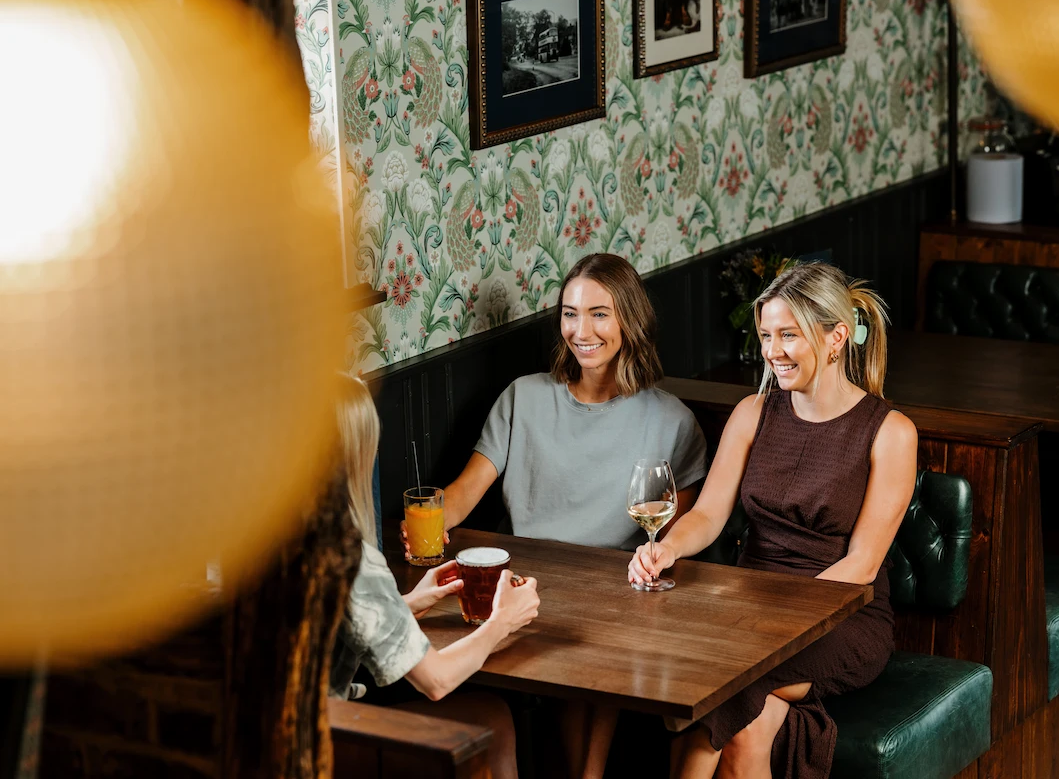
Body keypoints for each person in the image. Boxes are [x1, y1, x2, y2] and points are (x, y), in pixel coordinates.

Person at [404, 252, 709, 778]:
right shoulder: (523, 397)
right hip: (527, 579)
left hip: (616, 589)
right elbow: (461, 493)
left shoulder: (673, 422)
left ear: (629, 321)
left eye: (598, 313)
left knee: (605, 632)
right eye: (569, 313)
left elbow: (676, 528)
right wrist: (425, 529)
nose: (580, 329)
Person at [627, 261, 918, 779]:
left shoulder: (891, 432)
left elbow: (862, 563)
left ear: (836, 338)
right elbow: (711, 514)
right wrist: (667, 548)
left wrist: (776, 628)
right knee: (744, 732)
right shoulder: (752, 413)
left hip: (840, 615)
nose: (771, 352)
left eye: (788, 335)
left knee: (709, 695)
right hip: (750, 607)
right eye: (765, 335)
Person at [329, 374, 541, 779]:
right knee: (490, 718)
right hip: (319, 744)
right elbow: (437, 681)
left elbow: (325, 624)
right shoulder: (346, 555)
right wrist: (502, 622)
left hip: (240, 742)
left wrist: (406, 604)